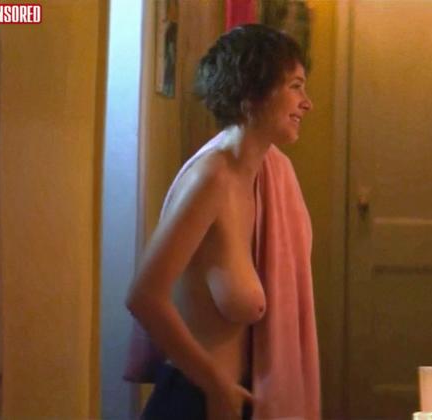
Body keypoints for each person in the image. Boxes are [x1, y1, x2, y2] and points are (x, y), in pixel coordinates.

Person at [126, 24, 313, 420]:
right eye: (295, 87)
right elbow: (144, 296)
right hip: (195, 400)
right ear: (252, 93)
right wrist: (215, 384)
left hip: (233, 398)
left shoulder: (267, 175)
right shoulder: (212, 177)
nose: (307, 103)